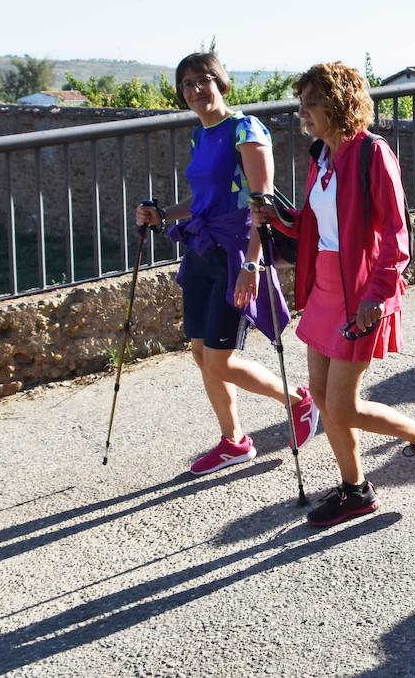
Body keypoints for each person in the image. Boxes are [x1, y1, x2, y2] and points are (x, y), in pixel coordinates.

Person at [260, 61, 415, 528]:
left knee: (343, 404)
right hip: (326, 285)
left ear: (338, 103)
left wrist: (379, 293)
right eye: (301, 104)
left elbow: (396, 230)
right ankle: (355, 489)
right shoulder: (320, 156)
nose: (303, 113)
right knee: (326, 400)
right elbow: (315, 224)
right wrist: (280, 217)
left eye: (311, 104)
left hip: (363, 289)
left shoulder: (372, 152)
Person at [134, 52, 319, 476]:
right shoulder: (201, 135)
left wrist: (252, 264)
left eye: (203, 81)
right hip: (201, 251)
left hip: (237, 252)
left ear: (221, 83)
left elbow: (262, 203)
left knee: (220, 358)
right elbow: (202, 203)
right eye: (187, 85)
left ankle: (298, 400)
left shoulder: (245, 128)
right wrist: (164, 215)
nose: (195, 91)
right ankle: (234, 441)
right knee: (201, 353)